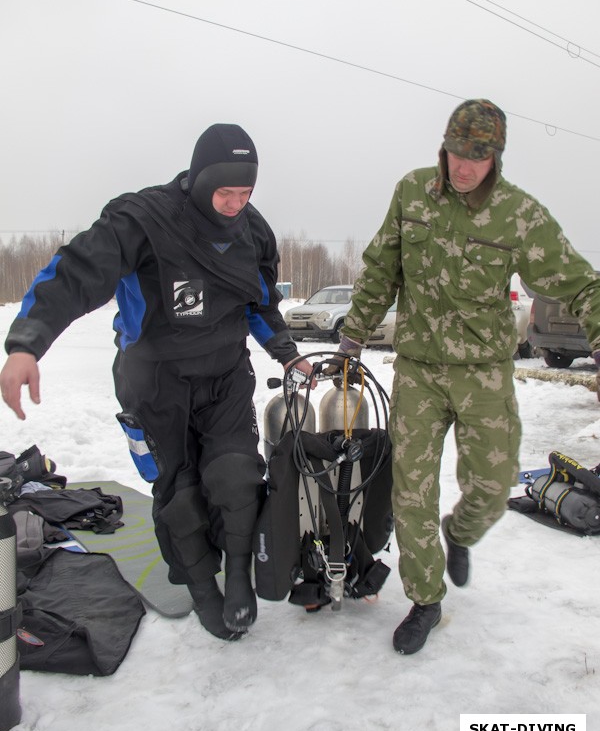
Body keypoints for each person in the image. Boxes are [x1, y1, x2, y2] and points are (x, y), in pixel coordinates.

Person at [0, 123, 313, 642]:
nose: (235, 203)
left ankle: (237, 574)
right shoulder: (143, 219)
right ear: (197, 178)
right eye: (225, 192)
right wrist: (28, 343)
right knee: (179, 491)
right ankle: (202, 590)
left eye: (246, 192)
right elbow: (76, 273)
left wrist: (286, 353)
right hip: (155, 381)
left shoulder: (253, 231)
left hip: (225, 374)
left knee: (236, 475)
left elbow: (260, 302)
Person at [330, 99, 600, 655]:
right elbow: (382, 268)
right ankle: (426, 599)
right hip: (420, 372)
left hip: (484, 377)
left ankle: (461, 533)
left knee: (491, 490)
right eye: (456, 153)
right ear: (445, 146)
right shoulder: (412, 193)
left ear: (495, 156)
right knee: (412, 494)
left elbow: (580, 283)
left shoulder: (518, 214)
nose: (463, 167)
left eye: (477, 158)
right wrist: (352, 336)